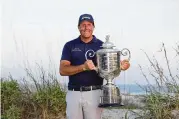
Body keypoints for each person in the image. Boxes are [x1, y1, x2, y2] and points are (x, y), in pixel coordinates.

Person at [59, 14, 130, 119]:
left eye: (89, 25)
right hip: (73, 93)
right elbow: (62, 70)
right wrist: (83, 67)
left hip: (94, 93)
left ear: (93, 27)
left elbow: (112, 66)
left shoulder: (101, 46)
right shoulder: (70, 45)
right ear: (78, 27)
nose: (86, 28)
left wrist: (122, 66)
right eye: (83, 25)